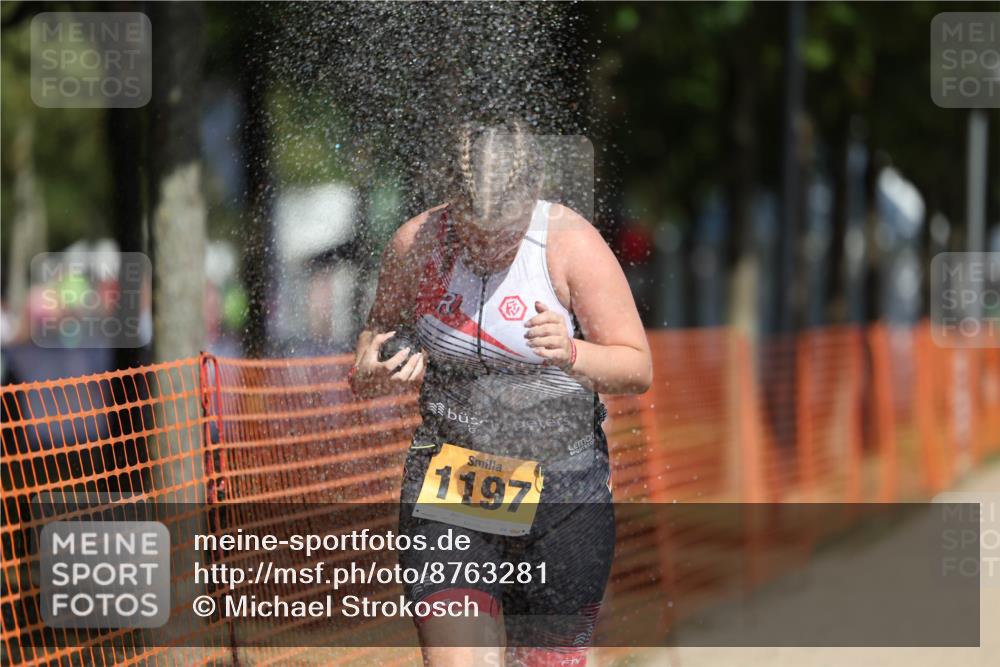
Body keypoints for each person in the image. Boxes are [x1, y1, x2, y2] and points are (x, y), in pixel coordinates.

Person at [350, 120, 651, 667]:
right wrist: (373, 366)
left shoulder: (572, 245)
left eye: (505, 233)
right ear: (451, 207)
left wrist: (572, 353)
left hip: (563, 485)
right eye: (472, 233)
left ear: (533, 199)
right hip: (454, 480)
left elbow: (637, 367)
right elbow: (373, 342)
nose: (487, 248)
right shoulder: (415, 242)